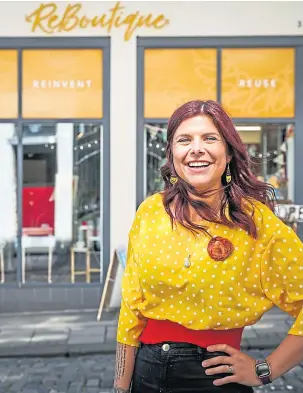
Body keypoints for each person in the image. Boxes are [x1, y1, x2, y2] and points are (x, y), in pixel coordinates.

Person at [113, 100, 303, 393]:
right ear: (172, 154)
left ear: (228, 153)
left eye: (210, 138)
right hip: (145, 375)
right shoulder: (151, 211)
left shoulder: (255, 223)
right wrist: (120, 387)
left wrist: (264, 370)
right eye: (184, 140)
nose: (196, 148)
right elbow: (131, 309)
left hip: (214, 380)